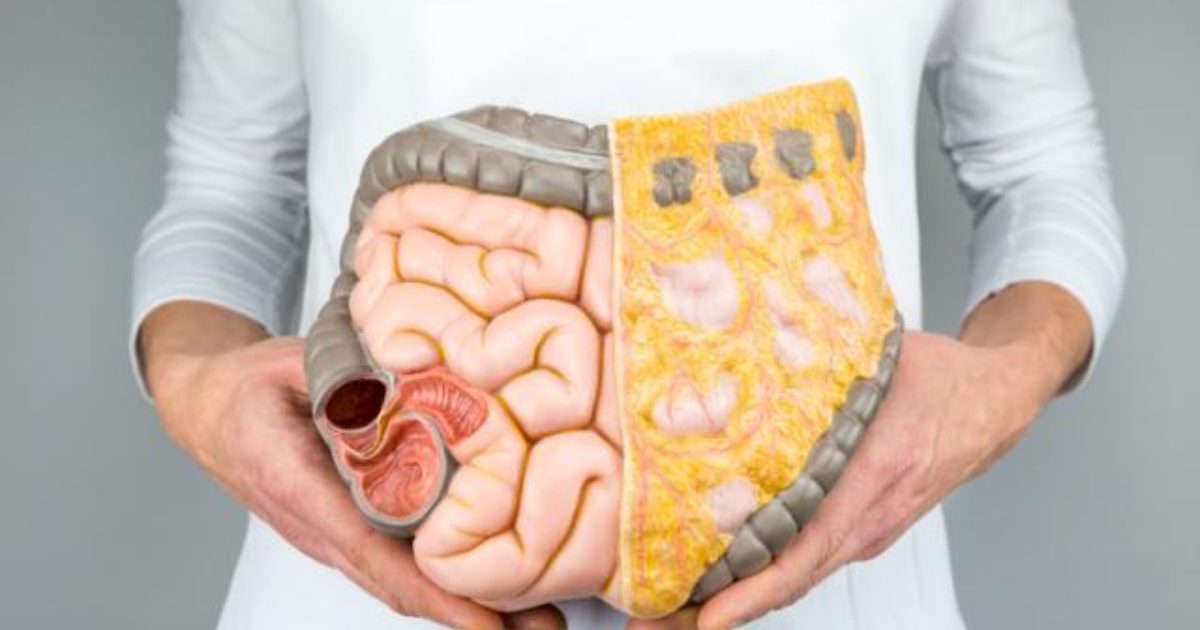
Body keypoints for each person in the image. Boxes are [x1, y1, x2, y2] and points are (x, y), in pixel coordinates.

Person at [131, 0, 1126, 628]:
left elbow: (1042, 169)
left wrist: (994, 385)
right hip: (359, 593)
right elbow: (230, 187)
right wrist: (195, 387)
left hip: (840, 590)